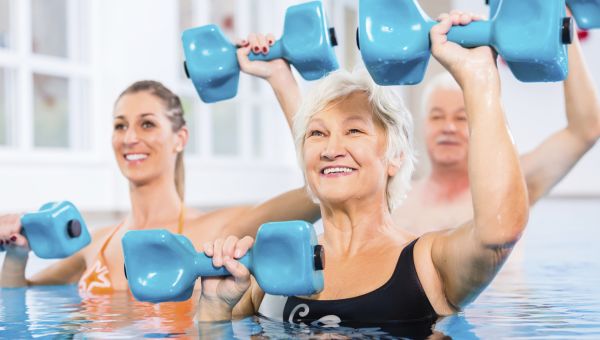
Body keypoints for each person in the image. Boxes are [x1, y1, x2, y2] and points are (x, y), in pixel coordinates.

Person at [193, 12, 529, 338]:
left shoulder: (428, 262)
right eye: (317, 135)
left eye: (354, 131)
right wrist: (214, 308)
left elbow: (498, 231)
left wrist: (478, 79)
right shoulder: (267, 272)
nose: (330, 149)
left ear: (394, 157)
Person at [0, 34, 320, 293]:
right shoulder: (96, 242)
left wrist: (280, 78)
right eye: (120, 125)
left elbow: (319, 191)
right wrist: (16, 254)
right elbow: (23, 295)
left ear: (180, 138)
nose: (130, 138)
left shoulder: (219, 230)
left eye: (147, 124)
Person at [393, 10, 600, 233]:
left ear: (481, 122)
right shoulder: (397, 199)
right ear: (423, 124)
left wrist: (563, 22)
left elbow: (585, 129)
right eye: (437, 116)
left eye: (461, 117)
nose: (448, 127)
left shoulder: (510, 185)